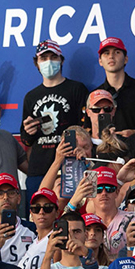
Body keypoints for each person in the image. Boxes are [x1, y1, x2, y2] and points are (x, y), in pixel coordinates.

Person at [20, 40, 89, 196]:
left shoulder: (76, 89)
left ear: (61, 60)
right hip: (39, 169)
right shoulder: (31, 96)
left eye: (53, 57)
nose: (48, 62)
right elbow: (26, 140)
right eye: (43, 58)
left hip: (70, 168)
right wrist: (28, 132)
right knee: (38, 215)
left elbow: (85, 129)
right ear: (37, 63)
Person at [95, 37, 135, 134]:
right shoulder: (95, 95)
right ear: (100, 61)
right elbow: (89, 130)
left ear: (126, 59)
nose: (111, 56)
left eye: (117, 52)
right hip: (106, 148)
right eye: (106, 53)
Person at [0, 174, 36, 266]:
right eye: (0, 193)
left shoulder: (32, 229)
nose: (6, 197)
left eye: (11, 193)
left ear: (19, 198)